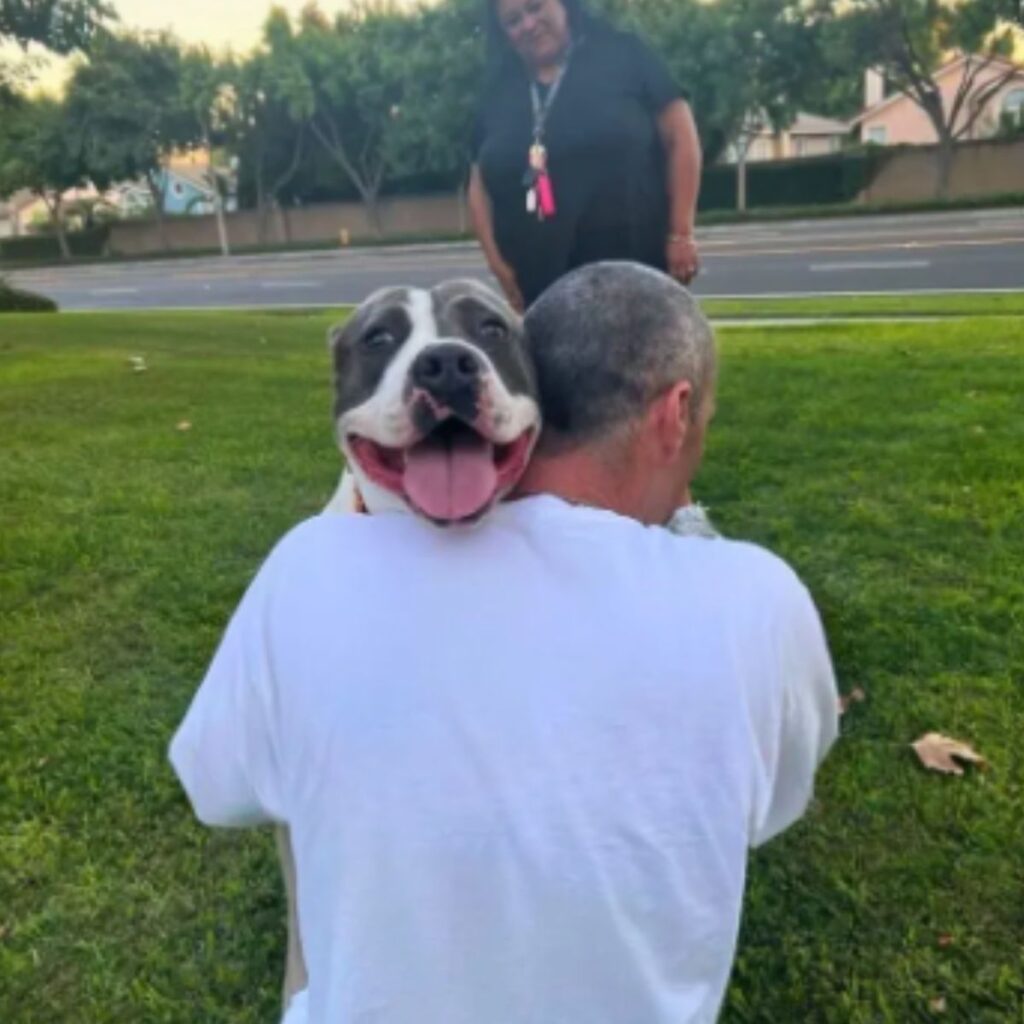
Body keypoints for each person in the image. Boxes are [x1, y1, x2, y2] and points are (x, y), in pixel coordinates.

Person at [170, 263, 838, 1024]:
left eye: (485, 334)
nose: (444, 361)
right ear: (675, 414)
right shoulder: (756, 597)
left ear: (542, 392)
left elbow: (218, 791)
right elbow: (775, 806)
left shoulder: (301, 575)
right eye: (383, 342)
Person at [469, 0, 702, 311]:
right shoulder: (495, 91)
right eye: (513, 20)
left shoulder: (624, 54)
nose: (528, 24)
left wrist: (681, 234)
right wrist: (498, 266)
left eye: (535, 7)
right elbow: (478, 183)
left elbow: (681, 138)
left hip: (635, 279)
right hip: (541, 293)